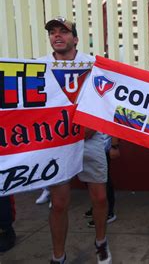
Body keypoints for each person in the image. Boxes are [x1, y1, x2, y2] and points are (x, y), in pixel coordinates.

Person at [41, 17, 111, 264]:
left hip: (89, 138)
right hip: (57, 142)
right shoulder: (39, 66)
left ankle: (101, 243)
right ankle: (57, 255)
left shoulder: (94, 64)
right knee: (59, 203)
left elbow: (108, 98)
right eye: (52, 32)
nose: (57, 35)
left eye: (63, 31)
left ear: (76, 39)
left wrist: (93, 126)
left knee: (100, 198)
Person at [85, 134, 119, 227]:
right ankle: (97, 209)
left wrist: (114, 146)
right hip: (90, 147)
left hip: (102, 146)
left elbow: (114, 123)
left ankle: (108, 213)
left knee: (103, 181)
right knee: (91, 179)